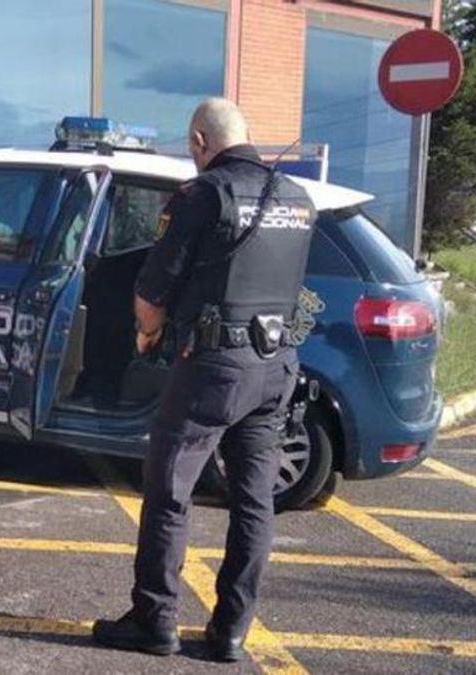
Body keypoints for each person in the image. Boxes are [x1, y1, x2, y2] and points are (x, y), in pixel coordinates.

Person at [92, 98, 316, 662]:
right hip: (276, 368)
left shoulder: (204, 195)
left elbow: (151, 290)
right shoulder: (297, 198)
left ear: (199, 140)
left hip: (214, 370)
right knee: (254, 502)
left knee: (169, 493)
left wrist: (147, 335)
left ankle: (155, 621)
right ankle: (230, 633)